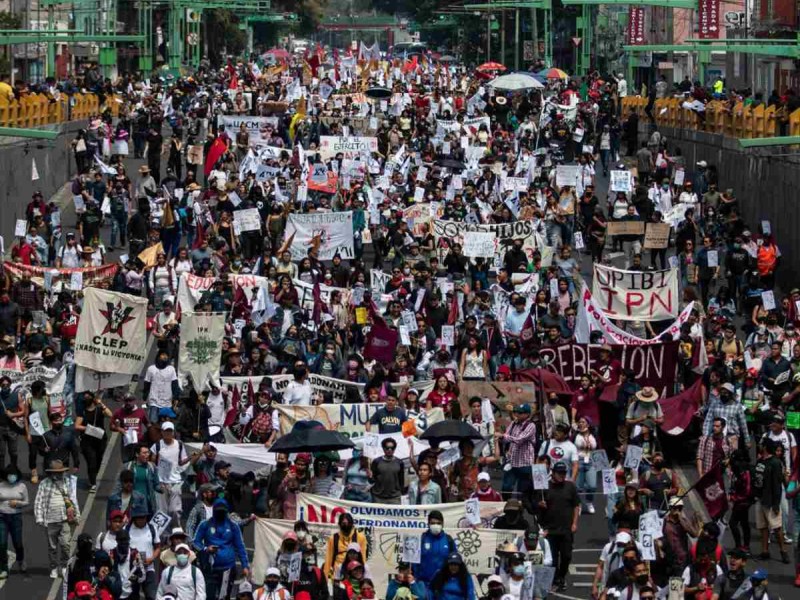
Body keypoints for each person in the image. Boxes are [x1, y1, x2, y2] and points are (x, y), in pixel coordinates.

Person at [192, 498, 250, 600]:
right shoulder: (205, 524)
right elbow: (195, 542)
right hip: (209, 568)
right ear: (214, 510)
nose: (220, 513)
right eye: (218, 511)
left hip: (227, 568)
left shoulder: (233, 526)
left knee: (223, 597)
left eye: (223, 511)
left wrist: (245, 566)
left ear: (226, 511)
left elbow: (240, 546)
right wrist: (206, 549)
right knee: (208, 596)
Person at [536, 461, 579, 592]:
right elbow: (537, 510)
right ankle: (555, 580)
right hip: (550, 529)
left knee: (566, 556)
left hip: (566, 529)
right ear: (553, 473)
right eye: (559, 473)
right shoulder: (545, 487)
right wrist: (540, 505)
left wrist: (575, 523)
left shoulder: (570, 487)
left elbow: (576, 505)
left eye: (564, 473)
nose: (562, 475)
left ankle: (561, 576)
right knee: (552, 559)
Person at [34, 459, 80, 579]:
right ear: (51, 473)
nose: (58, 474)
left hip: (64, 519)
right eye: (56, 472)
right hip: (50, 521)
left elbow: (73, 499)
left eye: (60, 472)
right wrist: (39, 518)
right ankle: (54, 567)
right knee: (52, 547)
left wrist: (77, 515)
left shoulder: (67, 482)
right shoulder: (44, 483)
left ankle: (64, 565)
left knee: (66, 544)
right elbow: (39, 501)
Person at [414, 511, 456, 587]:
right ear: (428, 524)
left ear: (442, 524)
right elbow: (414, 563)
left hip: (443, 584)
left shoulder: (449, 540)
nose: (435, 525)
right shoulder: (422, 539)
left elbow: (455, 563)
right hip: (424, 585)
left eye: (438, 523)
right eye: (433, 523)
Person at [0, 464, 27, 578]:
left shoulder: (22, 487)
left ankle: (20, 560)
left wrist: (18, 503)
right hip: (2, 517)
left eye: (14, 475)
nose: (12, 477)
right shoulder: (0, 486)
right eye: (10, 475)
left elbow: (27, 502)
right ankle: (3, 568)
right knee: (2, 543)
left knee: (17, 543)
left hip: (15, 517)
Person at [324, 512, 367, 581]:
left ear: (352, 524)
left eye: (348, 523)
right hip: (338, 572)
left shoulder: (360, 537)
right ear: (339, 524)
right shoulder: (333, 538)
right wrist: (325, 579)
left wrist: (363, 576)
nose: (345, 525)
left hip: (355, 572)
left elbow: (363, 558)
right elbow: (328, 560)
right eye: (343, 524)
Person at [369, 437, 404, 504]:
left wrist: (400, 493)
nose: (389, 450)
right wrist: (369, 476)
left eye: (392, 448)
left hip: (395, 498)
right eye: (387, 448)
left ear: (394, 449)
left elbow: (401, 481)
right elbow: (372, 480)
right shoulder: (376, 462)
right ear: (383, 448)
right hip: (378, 497)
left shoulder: (400, 462)